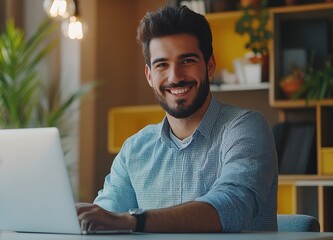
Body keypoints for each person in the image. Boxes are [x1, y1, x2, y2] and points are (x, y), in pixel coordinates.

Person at [76, 5, 278, 233]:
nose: (175, 76)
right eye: (162, 64)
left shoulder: (246, 128)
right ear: (149, 76)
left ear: (209, 65)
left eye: (187, 60)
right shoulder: (135, 148)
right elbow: (106, 215)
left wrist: (135, 221)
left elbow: (233, 205)